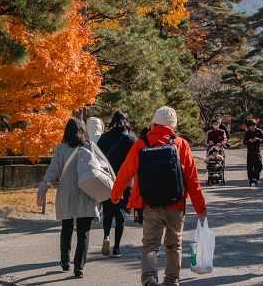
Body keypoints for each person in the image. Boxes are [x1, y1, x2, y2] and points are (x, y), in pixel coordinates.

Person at [111, 106, 207, 286]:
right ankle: (171, 281)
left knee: (150, 246)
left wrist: (116, 195)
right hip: (176, 205)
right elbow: (192, 180)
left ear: (154, 122)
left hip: (150, 205)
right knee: (173, 246)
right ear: (173, 125)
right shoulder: (181, 144)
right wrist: (200, 207)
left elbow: (125, 172)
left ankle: (149, 279)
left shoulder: (141, 144)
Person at [37, 117, 112, 279]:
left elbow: (52, 172)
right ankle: (79, 268)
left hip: (66, 195)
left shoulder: (60, 149)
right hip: (86, 193)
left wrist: (41, 191)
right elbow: (106, 167)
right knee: (84, 233)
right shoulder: (90, 147)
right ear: (83, 131)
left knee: (66, 229)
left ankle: (65, 262)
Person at [96, 111, 138, 257]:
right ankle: (117, 248)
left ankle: (106, 236)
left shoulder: (104, 138)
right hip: (125, 182)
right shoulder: (132, 139)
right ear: (127, 121)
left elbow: (97, 159)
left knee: (108, 213)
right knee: (120, 216)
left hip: (107, 181)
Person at [243, 118, 263, 186]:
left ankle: (256, 177)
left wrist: (258, 139)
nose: (252, 127)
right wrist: (250, 141)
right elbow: (244, 142)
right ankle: (251, 179)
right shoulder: (247, 133)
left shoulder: (259, 131)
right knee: (250, 167)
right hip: (250, 152)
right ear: (249, 126)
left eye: (254, 126)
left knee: (258, 166)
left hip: (257, 152)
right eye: (251, 126)